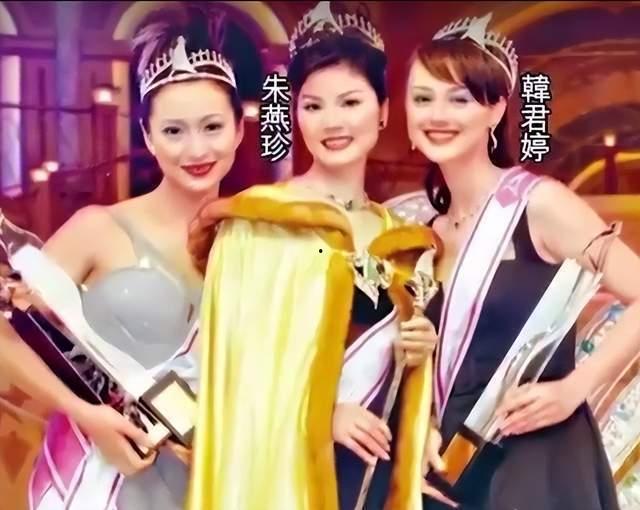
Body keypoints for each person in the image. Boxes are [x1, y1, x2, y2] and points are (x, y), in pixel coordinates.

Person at [185, 2, 440, 509]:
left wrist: (420, 353)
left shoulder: (405, 241)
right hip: (282, 481)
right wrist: (322, 414)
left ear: (383, 110)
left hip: (371, 477)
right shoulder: (256, 224)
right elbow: (232, 374)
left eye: (350, 102)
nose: (332, 122)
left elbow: (401, 387)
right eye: (313, 105)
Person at [0, 5, 244, 509]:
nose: (195, 149)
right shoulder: (99, 228)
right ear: (148, 136)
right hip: (96, 481)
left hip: (207, 483)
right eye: (174, 131)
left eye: (212, 127)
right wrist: (85, 415)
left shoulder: (256, 242)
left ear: (240, 129)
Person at [405, 12, 640, 510]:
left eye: (459, 99)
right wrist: (420, 426)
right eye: (423, 98)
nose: (437, 114)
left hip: (538, 458)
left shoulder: (537, 204)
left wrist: (574, 389)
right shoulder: (425, 231)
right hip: (450, 465)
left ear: (495, 110)